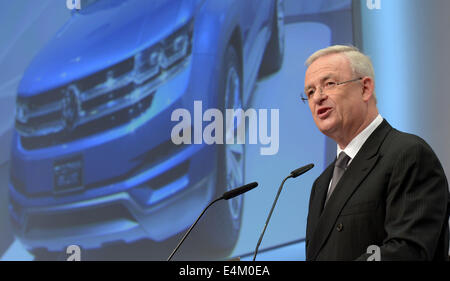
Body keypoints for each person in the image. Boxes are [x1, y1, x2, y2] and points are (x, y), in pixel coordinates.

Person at [303, 45, 450, 261]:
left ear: (365, 88)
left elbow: (407, 251)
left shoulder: (408, 155)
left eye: (329, 84)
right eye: (310, 92)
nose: (318, 98)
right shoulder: (321, 184)